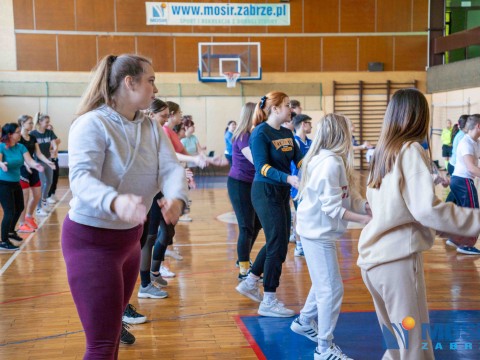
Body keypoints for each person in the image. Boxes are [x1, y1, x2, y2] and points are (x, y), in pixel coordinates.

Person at [61, 54, 188, 359]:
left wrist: (176, 198)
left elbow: (171, 168)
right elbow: (80, 179)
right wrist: (114, 201)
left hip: (129, 241)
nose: (155, 88)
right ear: (130, 83)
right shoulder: (91, 124)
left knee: (114, 335)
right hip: (91, 243)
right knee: (102, 344)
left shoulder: (150, 128)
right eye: (151, 80)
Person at [358, 88, 480, 360]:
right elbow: (425, 209)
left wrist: (446, 229)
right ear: (420, 116)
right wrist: (474, 221)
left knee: (396, 345)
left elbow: (402, 209)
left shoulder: (383, 152)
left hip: (372, 262)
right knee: (415, 348)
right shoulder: (411, 149)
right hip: (396, 262)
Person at [291, 113, 371, 360]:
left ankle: (304, 321)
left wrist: (366, 206)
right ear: (340, 133)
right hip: (317, 233)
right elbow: (333, 209)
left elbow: (347, 197)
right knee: (331, 290)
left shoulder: (334, 160)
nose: (353, 133)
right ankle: (323, 349)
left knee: (324, 282)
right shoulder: (330, 163)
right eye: (351, 128)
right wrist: (367, 221)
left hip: (317, 230)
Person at [236, 91, 303, 317]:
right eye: (286, 106)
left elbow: (298, 158)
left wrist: (312, 166)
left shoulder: (286, 132)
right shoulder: (260, 133)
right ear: (274, 109)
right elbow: (262, 167)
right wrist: (288, 178)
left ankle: (251, 281)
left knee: (281, 241)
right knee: (276, 244)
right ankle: (269, 299)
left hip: (282, 192)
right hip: (264, 191)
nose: (290, 110)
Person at [227, 102, 264, 281]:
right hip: (239, 184)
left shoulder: (253, 134)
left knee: (257, 224)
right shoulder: (243, 136)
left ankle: (242, 258)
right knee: (246, 226)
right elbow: (256, 160)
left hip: (252, 184)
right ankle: (243, 270)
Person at [0, 123, 44, 250]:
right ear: (9, 135)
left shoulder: (21, 147)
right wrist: (2, 165)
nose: (20, 134)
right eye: (18, 132)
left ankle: (10, 232)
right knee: (9, 211)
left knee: (19, 208)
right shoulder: (2, 146)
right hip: (3, 183)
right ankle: (3, 241)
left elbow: (29, 160)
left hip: (15, 182)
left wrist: (37, 165)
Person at [447, 114, 480, 255]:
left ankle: (456, 239)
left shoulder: (475, 142)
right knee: (473, 213)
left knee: (465, 212)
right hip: (462, 181)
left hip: (461, 181)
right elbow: (471, 168)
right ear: (478, 126)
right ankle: (466, 245)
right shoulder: (466, 143)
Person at [17, 115, 56, 233]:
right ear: (22, 123)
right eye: (29, 123)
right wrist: (26, 163)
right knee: (25, 197)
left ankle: (29, 216)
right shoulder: (18, 138)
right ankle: (22, 223)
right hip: (22, 169)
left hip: (33, 167)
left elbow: (38, 154)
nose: (31, 125)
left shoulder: (33, 137)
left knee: (37, 195)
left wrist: (48, 162)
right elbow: (18, 154)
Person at [289, 114, 313, 257]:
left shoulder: (310, 142)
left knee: (307, 214)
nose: (311, 126)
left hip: (309, 184)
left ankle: (303, 241)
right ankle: (299, 246)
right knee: (299, 215)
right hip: (298, 185)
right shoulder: (294, 142)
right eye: (309, 124)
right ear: (303, 124)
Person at [30, 113, 58, 215]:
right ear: (40, 122)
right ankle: (38, 208)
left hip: (48, 160)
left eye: (48, 122)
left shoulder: (49, 132)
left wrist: (54, 149)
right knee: (41, 184)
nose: (48, 124)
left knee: (49, 182)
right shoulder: (33, 134)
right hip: (38, 162)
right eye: (46, 122)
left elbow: (54, 144)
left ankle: (44, 200)